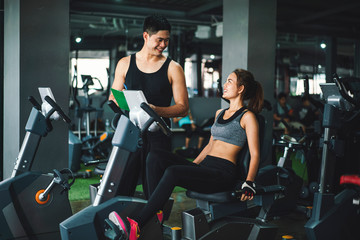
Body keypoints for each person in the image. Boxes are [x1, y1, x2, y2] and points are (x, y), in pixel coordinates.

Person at [105, 68, 264, 240]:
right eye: (226, 81)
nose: (224, 85)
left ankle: (136, 224)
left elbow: (255, 153)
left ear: (240, 88)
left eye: (230, 81)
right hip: (206, 167)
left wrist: (249, 182)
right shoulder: (220, 113)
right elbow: (210, 145)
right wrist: (192, 165)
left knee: (172, 172)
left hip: (222, 173)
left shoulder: (247, 117)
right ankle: (156, 211)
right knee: (155, 155)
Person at [108, 14, 189, 197]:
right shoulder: (125, 63)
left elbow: (183, 107)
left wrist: (155, 110)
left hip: (158, 136)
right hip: (130, 134)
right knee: (121, 188)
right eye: (159, 40)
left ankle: (155, 225)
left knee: (154, 192)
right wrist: (123, 101)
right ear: (146, 36)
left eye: (166, 41)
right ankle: (122, 224)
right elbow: (113, 96)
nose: (163, 45)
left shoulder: (173, 68)